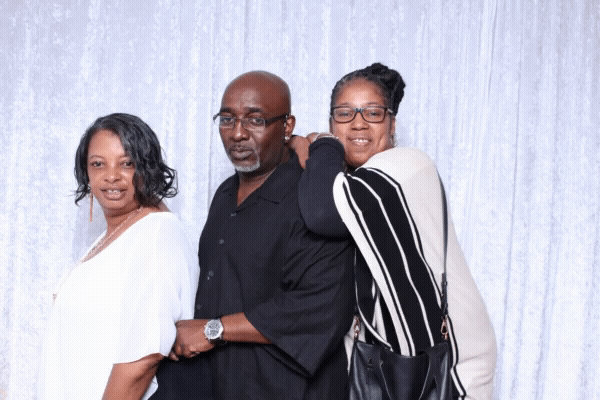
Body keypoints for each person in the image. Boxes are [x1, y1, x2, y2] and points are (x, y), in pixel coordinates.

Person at [293, 63, 497, 400]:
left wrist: (323, 144)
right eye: (344, 113)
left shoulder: (407, 165)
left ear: (392, 124)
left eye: (373, 113)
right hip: (393, 366)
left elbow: (321, 213)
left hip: (449, 366)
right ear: (332, 120)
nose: (358, 123)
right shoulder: (355, 182)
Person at [167, 71, 354, 400]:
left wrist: (213, 330)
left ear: (287, 126)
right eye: (227, 119)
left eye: (256, 120)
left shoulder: (313, 198)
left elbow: (321, 307)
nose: (237, 133)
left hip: (289, 389)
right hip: (222, 384)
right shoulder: (225, 193)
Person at [38, 113, 200, 400]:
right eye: (98, 164)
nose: (111, 176)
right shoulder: (115, 235)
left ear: (147, 167)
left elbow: (143, 356)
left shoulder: (156, 233)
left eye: (127, 163)